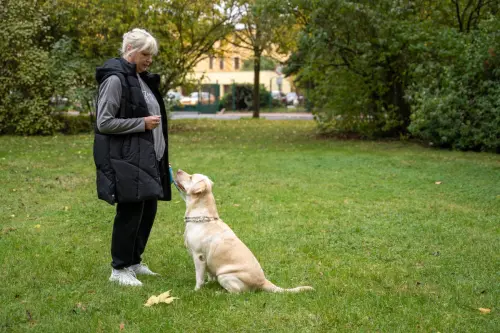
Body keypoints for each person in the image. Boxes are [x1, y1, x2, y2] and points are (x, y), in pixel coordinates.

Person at [93, 28, 171, 286]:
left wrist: (161, 156)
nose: (150, 59)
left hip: (149, 157)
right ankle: (119, 269)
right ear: (130, 51)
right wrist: (140, 123)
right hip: (126, 157)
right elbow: (104, 122)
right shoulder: (115, 80)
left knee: (148, 209)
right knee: (130, 211)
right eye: (146, 54)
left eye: (152, 55)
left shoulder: (141, 79)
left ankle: (134, 262)